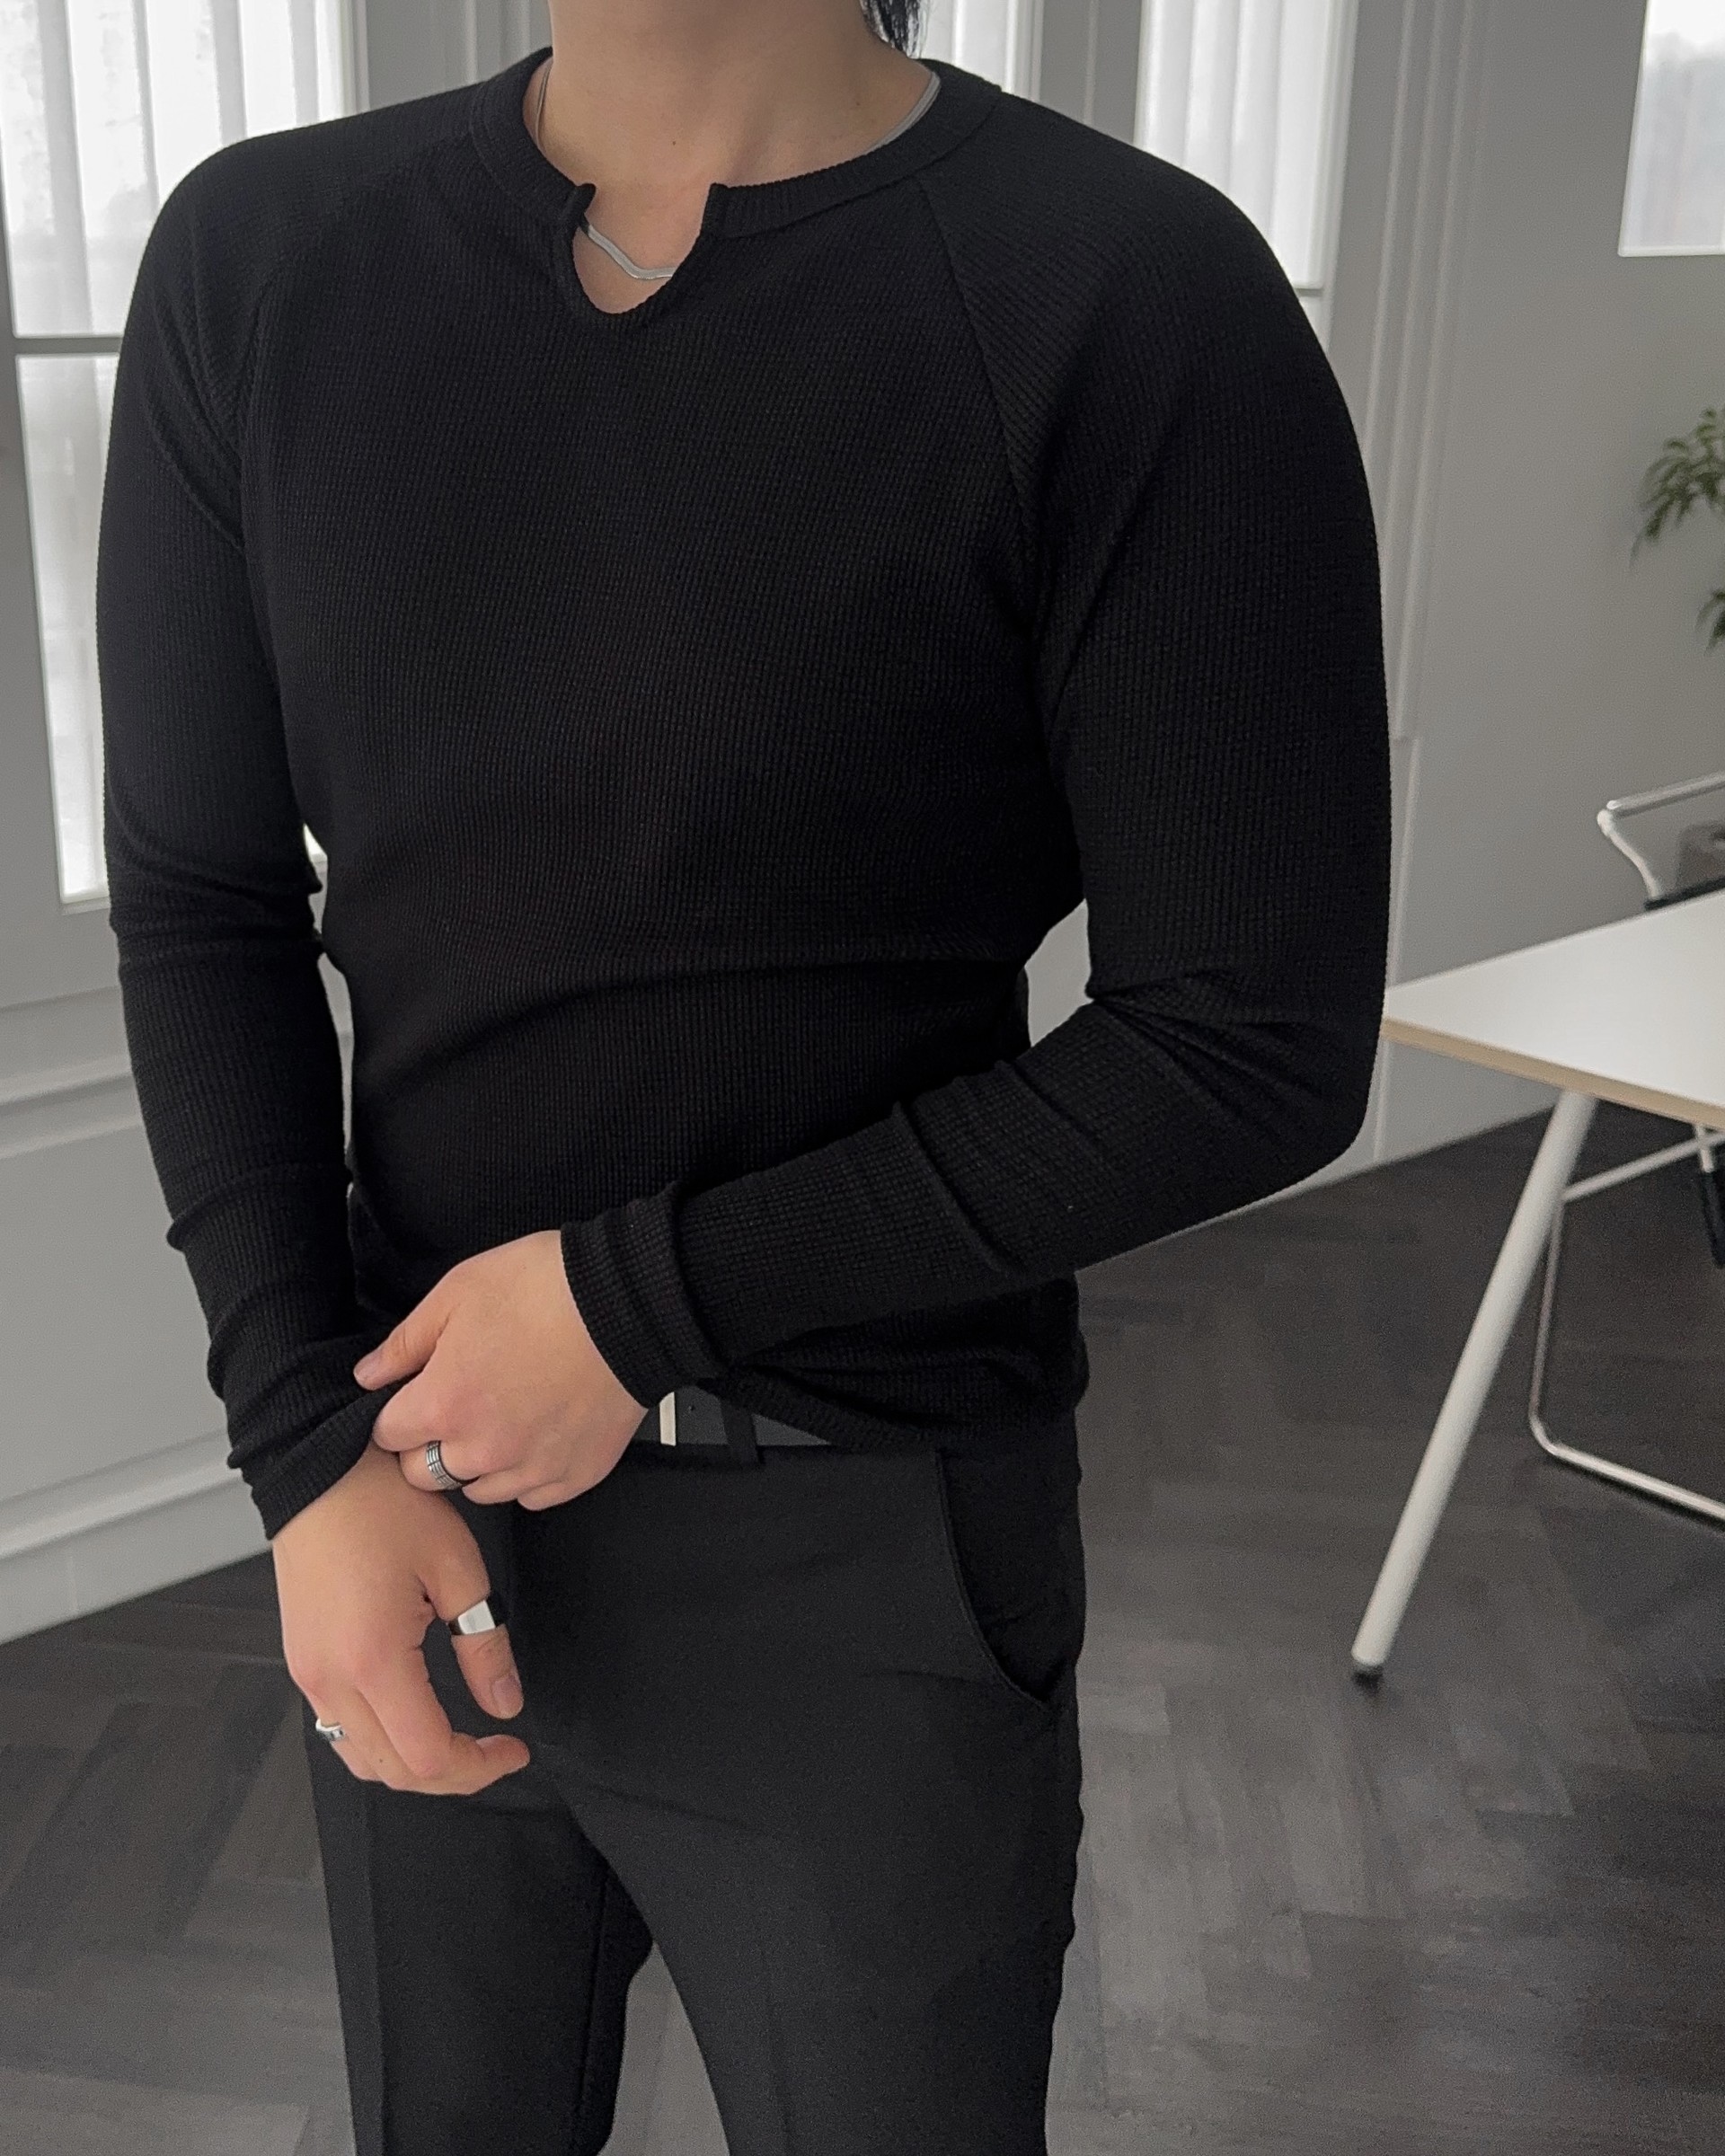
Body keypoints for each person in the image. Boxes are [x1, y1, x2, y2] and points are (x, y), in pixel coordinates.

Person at [93, 0, 1391, 2145]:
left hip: (868, 1552)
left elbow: (1247, 1040)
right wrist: (302, 1447)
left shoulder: (1126, 292)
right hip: (415, 1505)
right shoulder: (264, 263)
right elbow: (202, 900)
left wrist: (634, 1301)